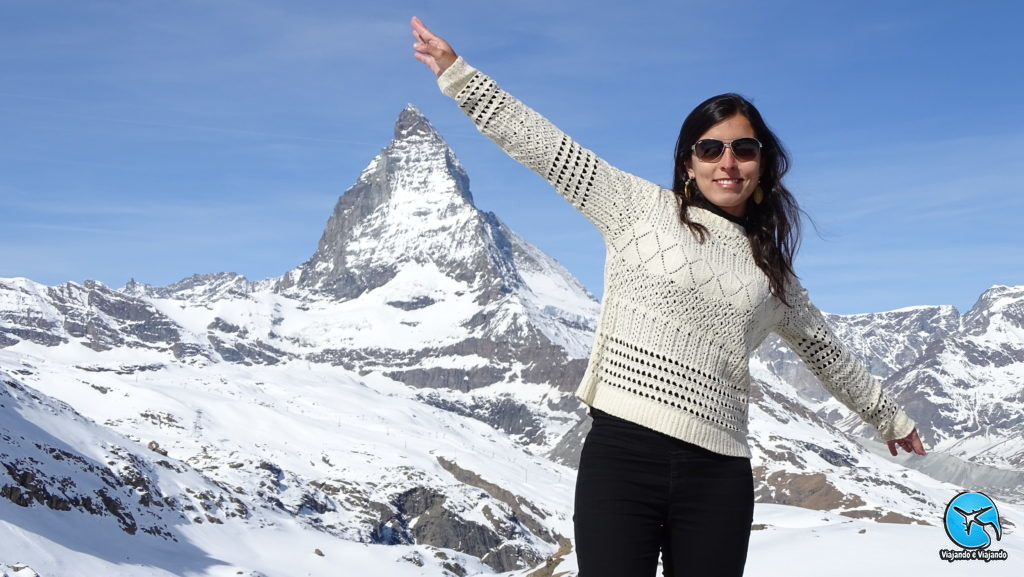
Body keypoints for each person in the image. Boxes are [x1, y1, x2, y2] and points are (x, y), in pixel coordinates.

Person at [410, 15, 926, 577]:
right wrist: (458, 74)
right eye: (711, 148)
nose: (727, 162)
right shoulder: (637, 208)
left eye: (743, 148)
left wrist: (889, 416)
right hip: (621, 457)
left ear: (761, 165)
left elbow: (828, 356)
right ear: (689, 162)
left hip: (719, 473)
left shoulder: (772, 272)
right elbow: (543, 146)